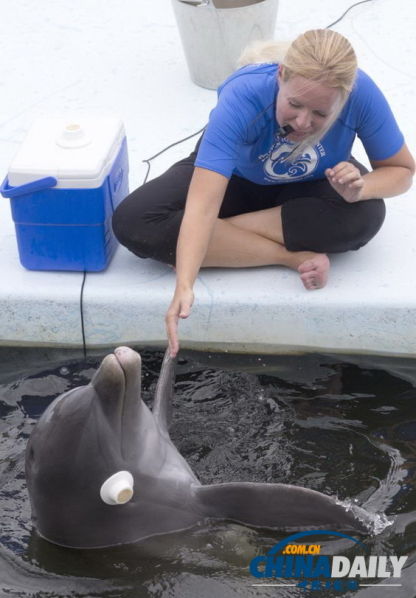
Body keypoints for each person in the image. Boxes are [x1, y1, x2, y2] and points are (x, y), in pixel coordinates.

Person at [112, 29, 415, 357]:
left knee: (366, 216)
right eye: (294, 104)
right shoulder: (244, 93)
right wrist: (185, 282)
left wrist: (360, 188)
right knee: (133, 221)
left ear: (344, 98)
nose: (302, 122)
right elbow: (202, 205)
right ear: (281, 75)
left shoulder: (362, 94)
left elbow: (402, 171)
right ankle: (287, 257)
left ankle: (215, 242)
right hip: (238, 179)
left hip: (313, 181)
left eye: (320, 114)